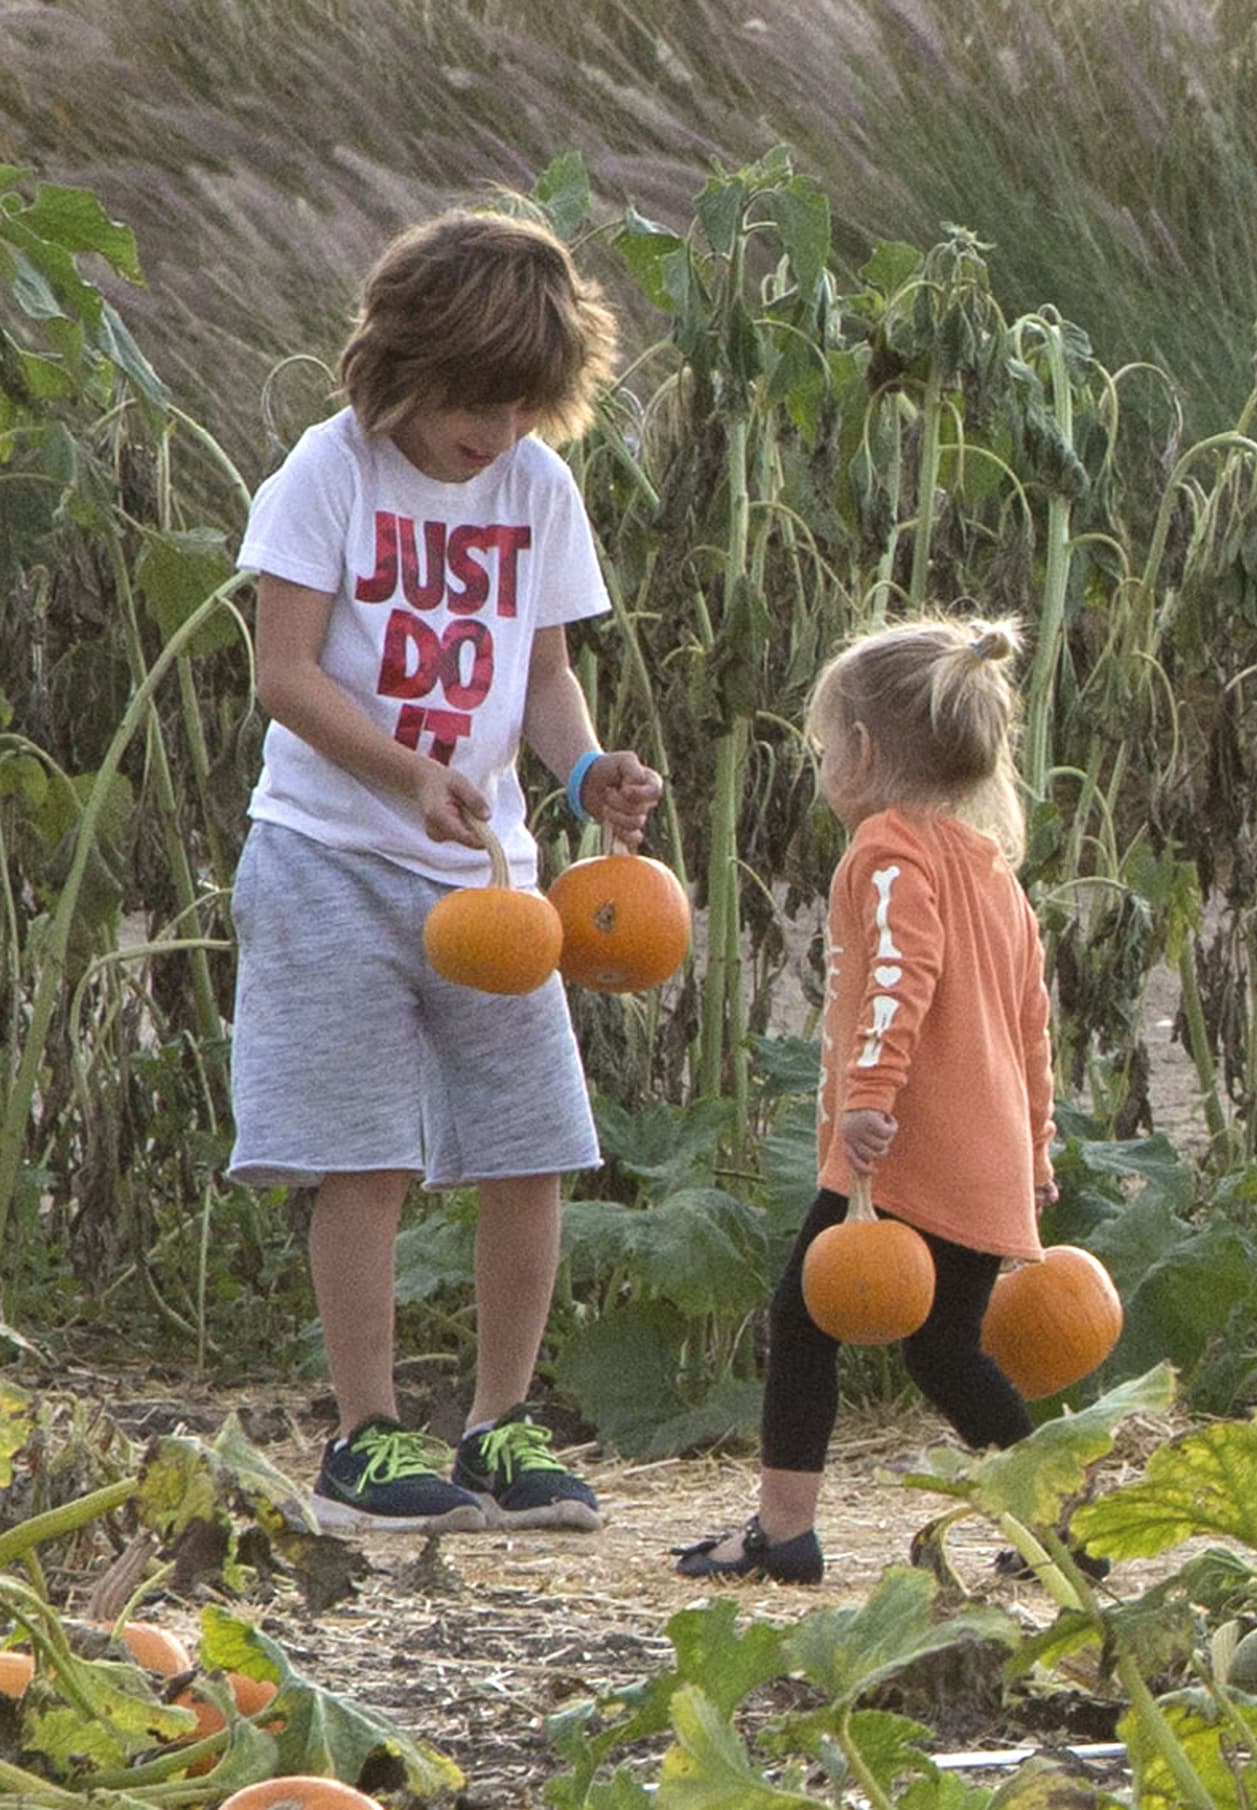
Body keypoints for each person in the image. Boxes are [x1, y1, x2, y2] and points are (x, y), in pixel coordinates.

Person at [228, 206, 663, 1537]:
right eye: (480, 401)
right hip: (327, 856)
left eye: (528, 405)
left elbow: (541, 678)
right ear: (405, 362)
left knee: (531, 1142)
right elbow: (283, 671)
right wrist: (406, 772)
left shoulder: (536, 486)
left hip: (493, 879)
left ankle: (501, 1423)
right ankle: (361, 1434)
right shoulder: (331, 471)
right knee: (358, 1155)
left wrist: (588, 776)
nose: (501, 432)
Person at [675, 614, 1057, 1585]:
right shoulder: (993, 875)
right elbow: (1030, 1028)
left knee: (801, 1316)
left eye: (818, 746)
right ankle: (1059, 1527)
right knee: (944, 1352)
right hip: (984, 1156)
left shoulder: (887, 852)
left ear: (860, 749)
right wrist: (1037, 1149)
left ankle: (783, 1530)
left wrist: (868, 1099)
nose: (817, 765)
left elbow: (898, 974)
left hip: (899, 1148)